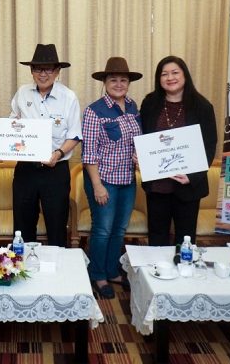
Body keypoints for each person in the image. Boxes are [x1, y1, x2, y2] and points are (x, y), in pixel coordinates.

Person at [81, 57, 143, 299]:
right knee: (103, 229)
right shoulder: (94, 111)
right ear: (105, 82)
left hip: (127, 179)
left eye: (123, 80)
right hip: (103, 179)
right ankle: (97, 274)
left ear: (129, 83)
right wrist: (97, 185)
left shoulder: (133, 107)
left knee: (119, 229)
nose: (119, 84)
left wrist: (140, 155)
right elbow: (89, 153)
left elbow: (138, 141)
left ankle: (112, 270)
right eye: (113, 79)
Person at [139, 56, 217, 246]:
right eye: (164, 74)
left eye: (175, 73)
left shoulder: (202, 106)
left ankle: (184, 266)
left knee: (185, 239)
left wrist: (193, 176)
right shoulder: (150, 103)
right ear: (158, 78)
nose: (170, 78)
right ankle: (157, 266)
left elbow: (209, 145)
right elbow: (142, 136)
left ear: (185, 75)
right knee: (157, 237)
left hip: (188, 186)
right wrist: (140, 155)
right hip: (157, 185)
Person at [10, 44, 82, 247]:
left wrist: (58, 153)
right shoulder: (22, 93)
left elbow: (75, 135)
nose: (43, 74)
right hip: (26, 170)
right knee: (22, 227)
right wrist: (10, 134)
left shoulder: (69, 97)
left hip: (55, 170)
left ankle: (57, 266)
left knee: (57, 226)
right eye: (38, 69)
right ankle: (23, 264)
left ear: (57, 72)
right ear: (31, 71)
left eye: (48, 69)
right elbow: (13, 123)